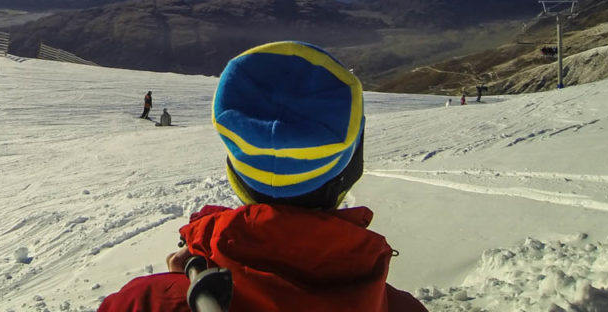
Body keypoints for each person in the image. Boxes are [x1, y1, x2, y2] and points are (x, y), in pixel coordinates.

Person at [98, 41, 428, 312]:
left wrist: (171, 290)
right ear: (351, 166)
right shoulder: (403, 309)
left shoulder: (139, 303)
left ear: (237, 170)